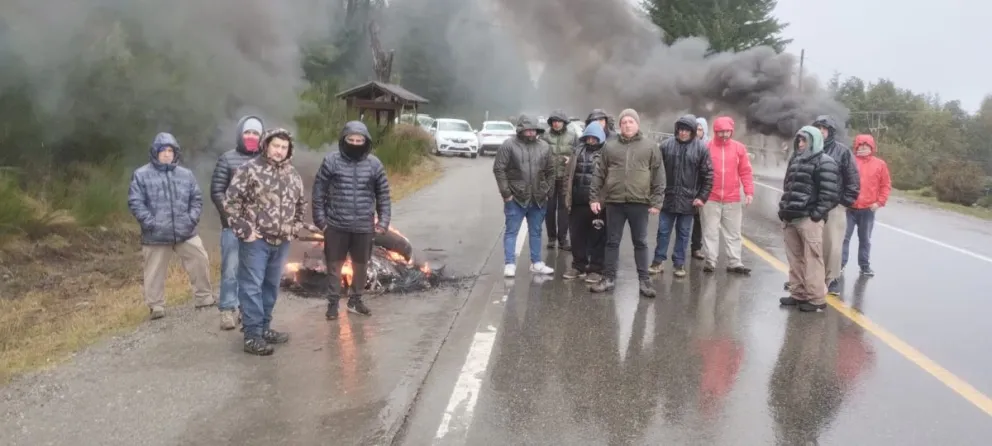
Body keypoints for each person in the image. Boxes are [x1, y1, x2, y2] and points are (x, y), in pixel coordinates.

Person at [224, 128, 318, 356]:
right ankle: (252, 335)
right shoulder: (249, 170)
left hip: (282, 240)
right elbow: (231, 203)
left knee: (271, 287)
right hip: (256, 240)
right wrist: (244, 230)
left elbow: (301, 206)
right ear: (266, 145)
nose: (279, 151)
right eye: (276, 146)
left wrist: (294, 227)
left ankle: (264, 327)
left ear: (289, 151)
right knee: (251, 287)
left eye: (284, 148)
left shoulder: (292, 175)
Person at [128, 132, 215, 320]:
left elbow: (197, 199)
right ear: (155, 152)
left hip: (185, 231)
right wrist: (151, 223)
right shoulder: (141, 175)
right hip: (156, 234)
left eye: (170, 150)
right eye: (163, 150)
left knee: (200, 259)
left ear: (176, 153)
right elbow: (136, 202)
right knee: (154, 271)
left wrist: (191, 219)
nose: (167, 154)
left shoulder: (186, 175)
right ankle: (156, 306)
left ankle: (204, 297)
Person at [312, 121, 391, 320]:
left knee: (361, 266)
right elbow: (318, 193)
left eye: (359, 140)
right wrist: (322, 222)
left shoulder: (375, 164)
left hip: (364, 226)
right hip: (336, 225)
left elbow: (383, 196)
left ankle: (355, 300)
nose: (355, 143)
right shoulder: (331, 161)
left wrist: (383, 222)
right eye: (351, 139)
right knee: (334, 267)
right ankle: (332, 303)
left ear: (366, 141)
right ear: (344, 140)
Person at [588, 108, 665, 297]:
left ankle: (644, 281)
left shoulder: (650, 147)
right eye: (624, 122)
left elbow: (658, 175)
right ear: (620, 126)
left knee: (640, 242)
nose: (627, 125)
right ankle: (608, 278)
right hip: (614, 202)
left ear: (637, 124)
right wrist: (595, 197)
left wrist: (657, 201)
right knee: (612, 242)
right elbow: (599, 173)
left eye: (631, 121)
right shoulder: (610, 146)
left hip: (639, 202)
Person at [778, 126, 841, 312]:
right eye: (799, 140)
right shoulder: (796, 160)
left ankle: (815, 299)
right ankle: (798, 294)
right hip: (791, 217)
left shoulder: (825, 162)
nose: (801, 144)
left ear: (814, 141)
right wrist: (783, 210)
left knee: (813, 258)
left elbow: (830, 194)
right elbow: (788, 187)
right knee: (795, 258)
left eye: (804, 140)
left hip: (808, 219)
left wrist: (816, 215)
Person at [209, 115, 263, 330]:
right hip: (232, 227)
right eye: (247, 132)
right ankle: (227, 310)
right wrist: (232, 217)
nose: (251, 136)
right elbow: (217, 191)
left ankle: (247, 310)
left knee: (253, 271)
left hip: (258, 229)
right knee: (231, 270)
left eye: (255, 133)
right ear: (240, 134)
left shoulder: (265, 161)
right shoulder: (227, 159)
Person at [650, 115, 714, 278]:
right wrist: (655, 195)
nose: (683, 133)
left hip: (689, 201)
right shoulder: (665, 146)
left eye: (687, 130)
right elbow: (655, 172)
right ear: (677, 129)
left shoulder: (701, 149)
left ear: (692, 131)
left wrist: (702, 197)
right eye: (681, 129)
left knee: (684, 233)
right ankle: (658, 261)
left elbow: (708, 175)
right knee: (663, 231)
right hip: (667, 198)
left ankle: (679, 263)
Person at [493, 115, 556, 278]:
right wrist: (506, 194)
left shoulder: (544, 147)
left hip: (538, 198)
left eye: (533, 129)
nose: (530, 133)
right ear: (520, 129)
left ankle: (536, 263)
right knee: (511, 231)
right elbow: (499, 169)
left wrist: (548, 191)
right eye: (527, 129)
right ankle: (509, 264)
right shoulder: (509, 145)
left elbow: (551, 171)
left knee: (536, 231)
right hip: (516, 197)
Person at [811, 115, 860, 295]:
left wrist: (844, 202)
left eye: (824, 128)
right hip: (812, 204)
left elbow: (853, 179)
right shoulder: (808, 149)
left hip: (834, 205)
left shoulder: (842, 151)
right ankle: (809, 277)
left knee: (833, 244)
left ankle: (831, 279)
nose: (821, 131)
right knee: (811, 243)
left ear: (830, 131)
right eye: (818, 128)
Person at [701, 116, 755, 274]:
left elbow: (745, 171)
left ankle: (735, 262)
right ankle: (710, 260)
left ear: (731, 131)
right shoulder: (707, 147)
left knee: (733, 232)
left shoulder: (739, 148)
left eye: (727, 131)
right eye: (721, 131)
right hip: (710, 197)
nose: (724, 134)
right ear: (715, 131)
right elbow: (700, 172)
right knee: (710, 231)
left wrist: (749, 192)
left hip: (732, 198)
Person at [562, 121, 607, 283]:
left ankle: (596, 268)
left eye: (594, 138)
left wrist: (602, 201)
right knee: (576, 236)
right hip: (577, 202)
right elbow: (568, 175)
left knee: (597, 236)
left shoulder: (606, 152)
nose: (591, 140)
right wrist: (566, 195)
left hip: (597, 204)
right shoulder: (577, 151)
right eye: (588, 137)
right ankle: (578, 265)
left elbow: (610, 178)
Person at [843, 134, 890, 277]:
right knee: (843, 238)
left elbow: (885, 185)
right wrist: (843, 201)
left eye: (866, 146)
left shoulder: (880, 164)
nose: (863, 148)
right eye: (860, 145)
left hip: (868, 209)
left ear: (872, 147)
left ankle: (864, 266)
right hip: (849, 209)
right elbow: (841, 181)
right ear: (856, 147)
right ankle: (839, 264)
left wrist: (879, 202)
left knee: (865, 239)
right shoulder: (849, 161)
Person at [540, 110, 578, 250]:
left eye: (559, 121)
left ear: (564, 122)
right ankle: (551, 238)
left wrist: (571, 160)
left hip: (565, 178)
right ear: (551, 122)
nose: (556, 123)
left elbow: (578, 153)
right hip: (549, 177)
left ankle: (563, 239)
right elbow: (539, 154)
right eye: (554, 121)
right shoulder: (544, 136)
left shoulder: (573, 136)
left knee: (564, 209)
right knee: (549, 209)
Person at [691, 117, 710, 260]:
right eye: (695, 129)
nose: (697, 132)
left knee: (699, 221)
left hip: (701, 188)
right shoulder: (686, 143)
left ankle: (696, 247)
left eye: (700, 129)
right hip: (687, 186)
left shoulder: (709, 146)